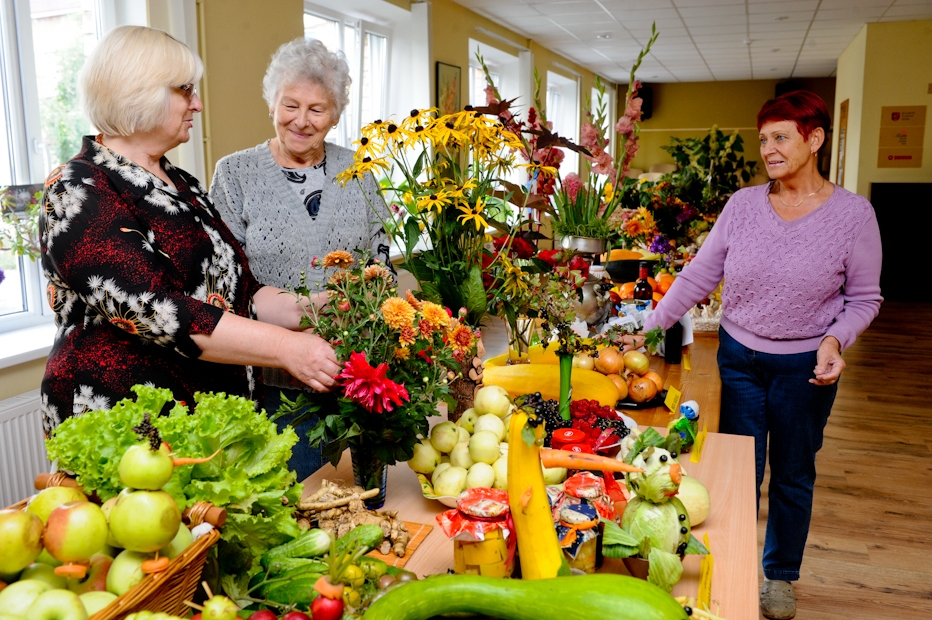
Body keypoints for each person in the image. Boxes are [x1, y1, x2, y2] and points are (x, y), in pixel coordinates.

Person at [642, 90, 882, 620]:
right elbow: (701, 273)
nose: (768, 149)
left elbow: (864, 299)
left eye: (781, 137)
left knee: (793, 472)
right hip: (740, 357)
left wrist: (833, 340)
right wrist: (650, 323)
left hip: (806, 368)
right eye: (763, 139)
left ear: (814, 139)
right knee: (736, 471)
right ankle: (729, 562)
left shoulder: (854, 216)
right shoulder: (743, 205)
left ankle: (779, 577)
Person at [39, 26, 341, 436]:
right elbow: (157, 310)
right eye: (185, 90)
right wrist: (287, 348)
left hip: (206, 424)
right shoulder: (78, 187)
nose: (197, 104)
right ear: (138, 92)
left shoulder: (181, 183)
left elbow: (241, 292)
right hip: (127, 428)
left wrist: (310, 310)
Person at [209, 37, 390, 479]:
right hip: (270, 381)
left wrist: (356, 302)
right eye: (290, 105)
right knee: (291, 493)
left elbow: (382, 260)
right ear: (272, 102)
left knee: (358, 494)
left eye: (317, 109)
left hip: (354, 375)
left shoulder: (359, 171)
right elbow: (221, 277)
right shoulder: (234, 174)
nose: (302, 121)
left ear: (336, 114)